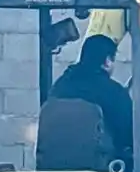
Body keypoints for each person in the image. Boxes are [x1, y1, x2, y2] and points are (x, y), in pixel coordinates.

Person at [49, 34, 134, 165]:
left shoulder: (59, 86)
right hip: (99, 167)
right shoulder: (114, 92)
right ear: (107, 61)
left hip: (50, 164)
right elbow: (128, 135)